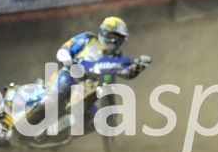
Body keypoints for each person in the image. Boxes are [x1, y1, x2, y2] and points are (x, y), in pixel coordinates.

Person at [8, 16, 150, 143]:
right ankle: (18, 131)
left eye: (119, 38)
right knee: (53, 99)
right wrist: (69, 61)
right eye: (114, 36)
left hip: (89, 88)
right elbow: (64, 50)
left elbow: (125, 73)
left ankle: (56, 137)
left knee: (96, 120)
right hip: (68, 76)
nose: (116, 40)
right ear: (105, 32)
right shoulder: (88, 39)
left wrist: (139, 66)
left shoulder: (116, 57)